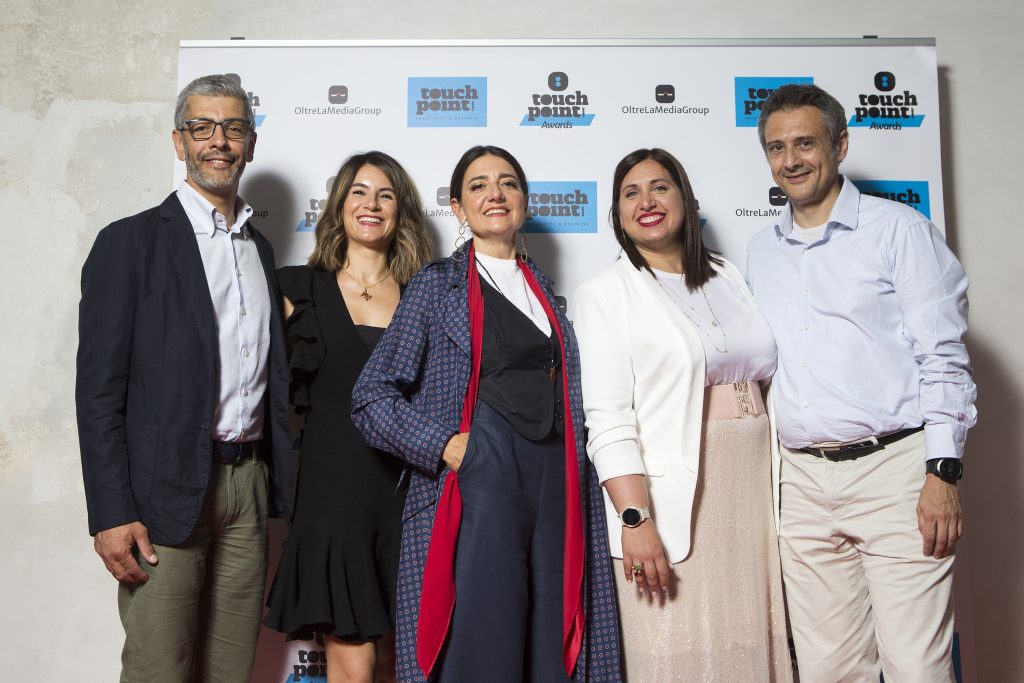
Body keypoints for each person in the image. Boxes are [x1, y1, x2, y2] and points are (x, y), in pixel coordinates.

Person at [351, 145, 621, 683]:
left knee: (550, 646)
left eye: (507, 183)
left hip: (557, 484)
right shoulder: (436, 286)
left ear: (524, 201)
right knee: (480, 648)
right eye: (478, 185)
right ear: (457, 207)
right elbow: (370, 396)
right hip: (481, 483)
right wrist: (447, 446)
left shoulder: (545, 291)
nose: (494, 194)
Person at [746, 83, 976, 682]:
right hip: (801, 481)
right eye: (776, 147)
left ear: (840, 145)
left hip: (894, 473)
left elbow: (943, 355)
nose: (791, 160)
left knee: (917, 668)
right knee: (828, 671)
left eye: (805, 143)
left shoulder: (900, 231)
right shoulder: (760, 251)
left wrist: (943, 472)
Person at [75, 74, 292, 682]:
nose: (218, 141)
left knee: (230, 669)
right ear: (180, 142)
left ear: (251, 143)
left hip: (247, 486)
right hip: (162, 491)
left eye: (233, 128)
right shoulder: (130, 243)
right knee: (159, 669)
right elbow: (98, 393)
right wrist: (110, 511)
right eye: (202, 127)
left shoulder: (260, 251)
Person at [573, 148, 792, 681]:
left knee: (750, 645)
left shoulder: (727, 274)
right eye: (631, 193)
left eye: (660, 187)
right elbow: (607, 419)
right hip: (674, 501)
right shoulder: (605, 294)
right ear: (618, 215)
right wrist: (635, 518)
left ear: (686, 200)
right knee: (677, 652)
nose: (646, 202)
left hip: (754, 489)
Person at [263, 151, 432, 683]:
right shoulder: (295, 289)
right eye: (359, 191)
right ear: (339, 206)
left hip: (410, 494)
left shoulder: (426, 295)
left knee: (404, 661)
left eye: (385, 194)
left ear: (401, 211)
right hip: (333, 495)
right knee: (353, 663)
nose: (371, 204)